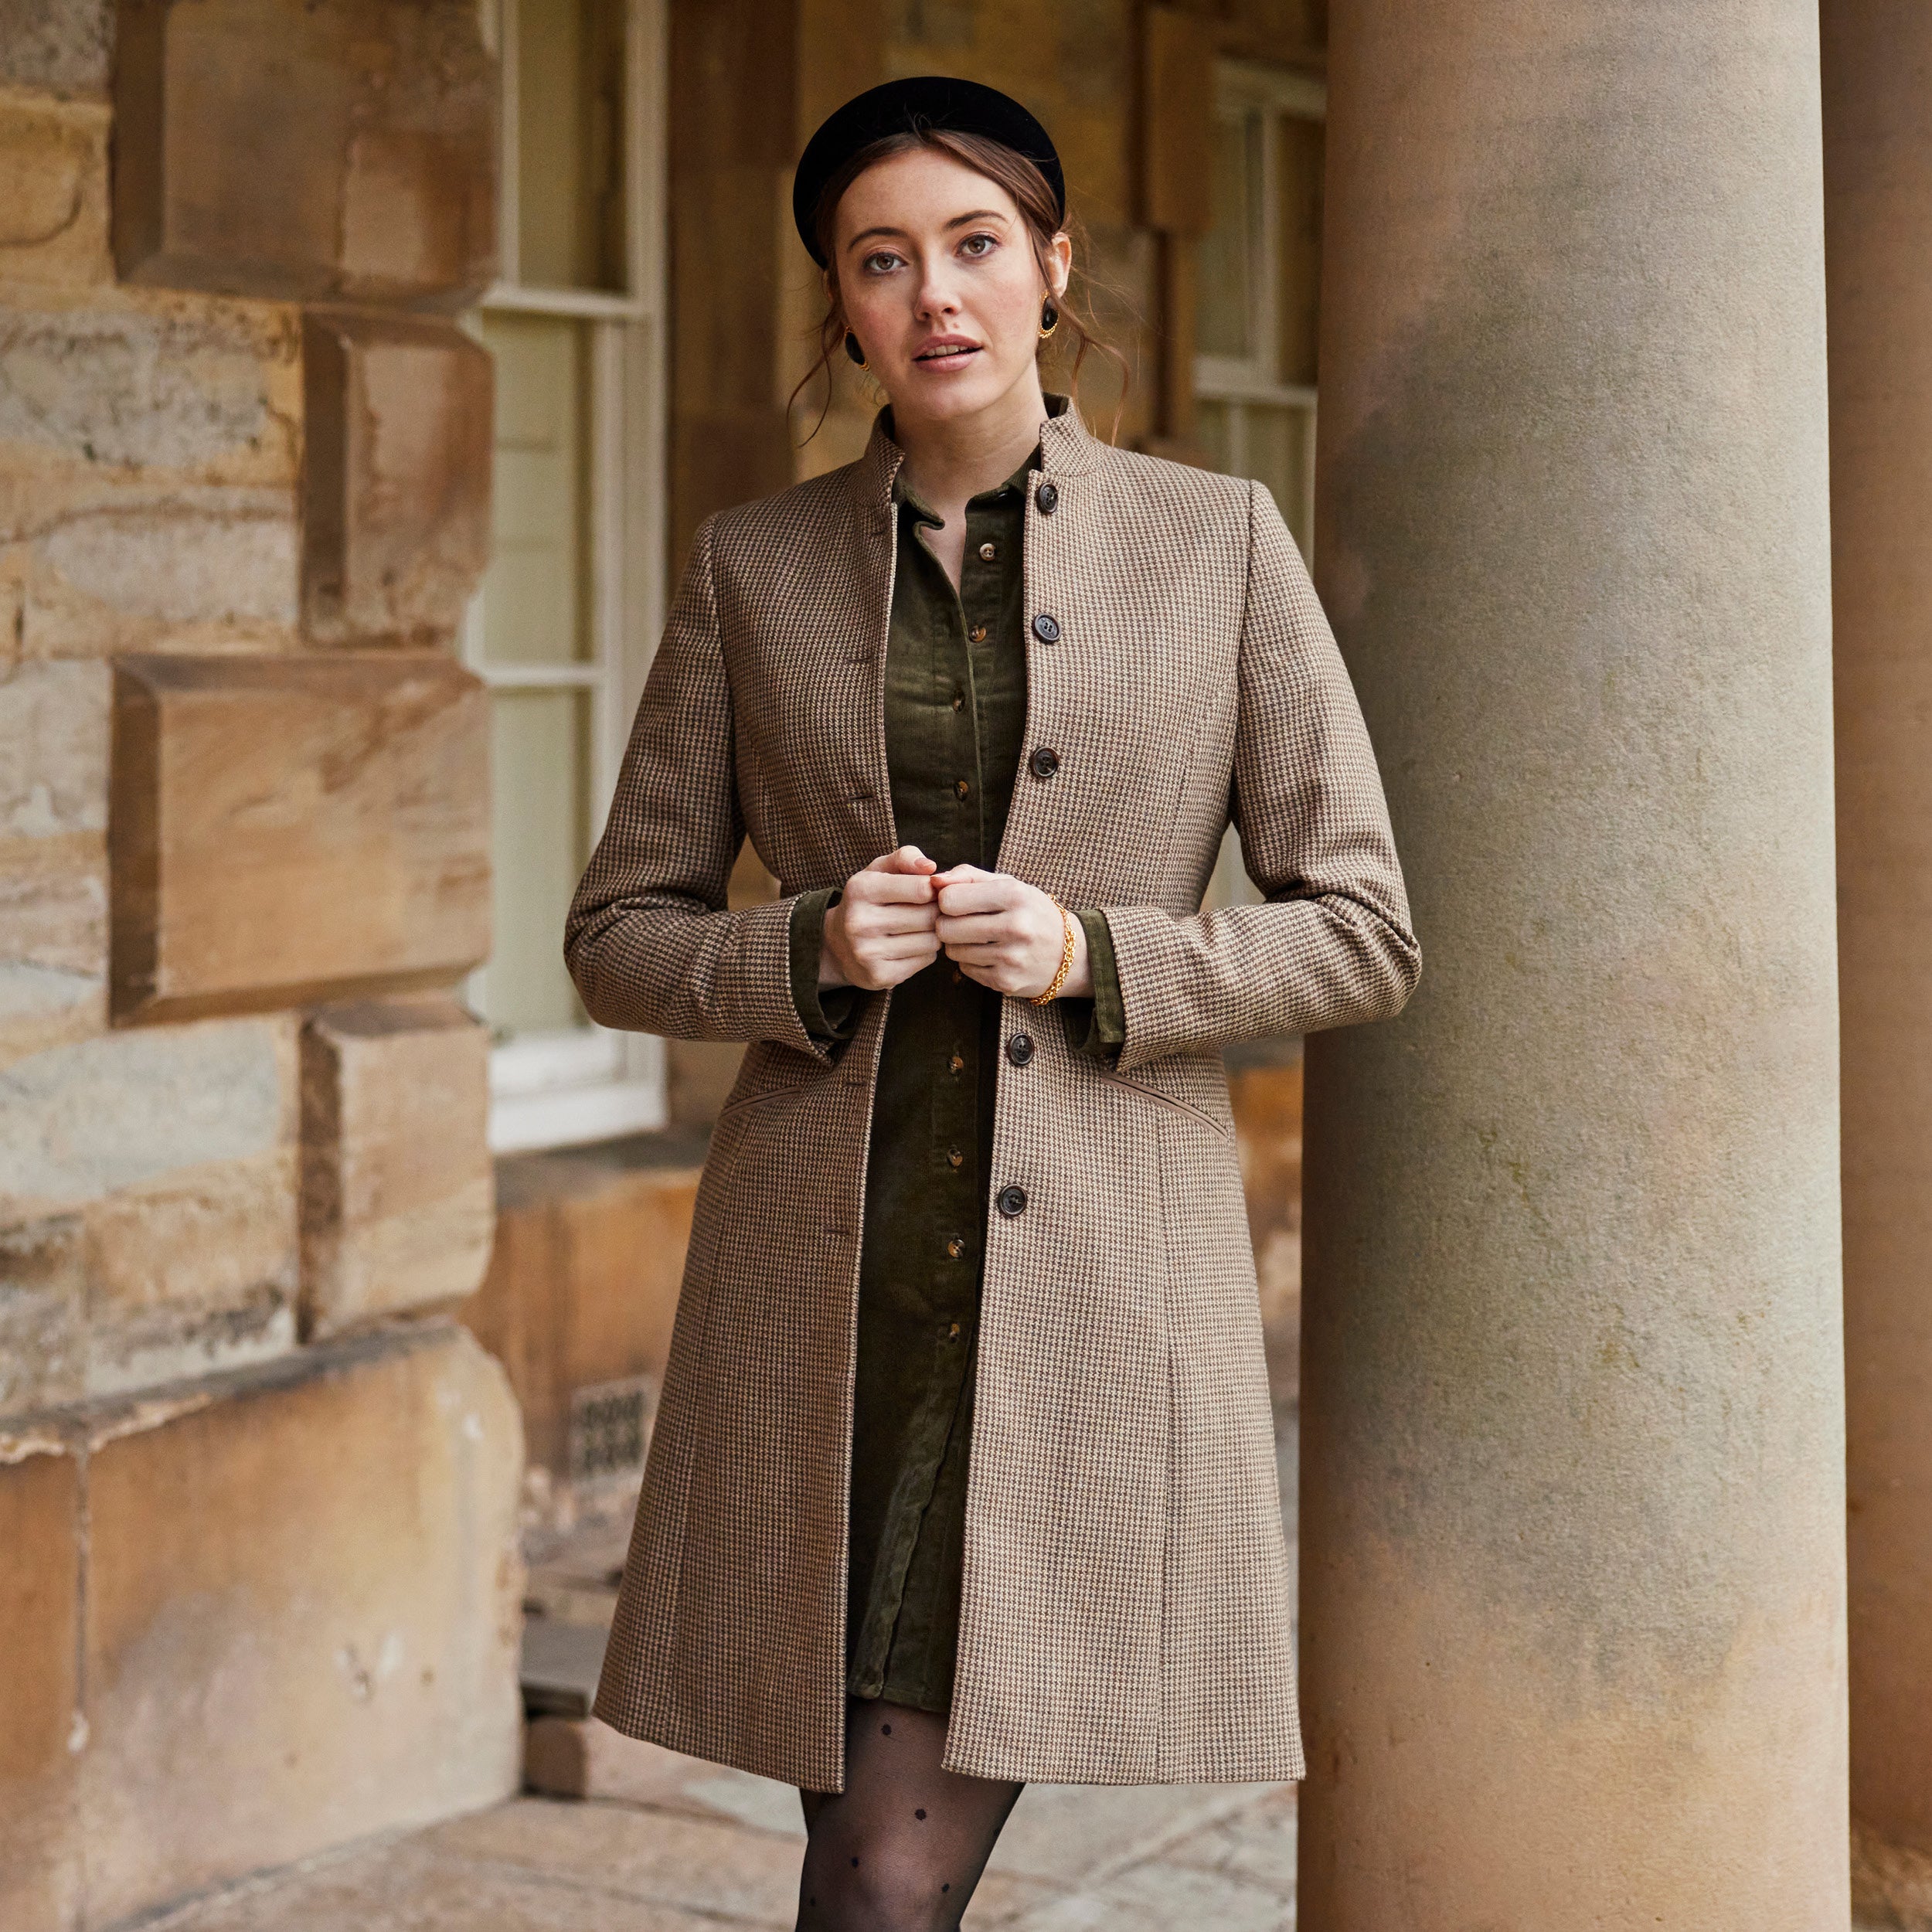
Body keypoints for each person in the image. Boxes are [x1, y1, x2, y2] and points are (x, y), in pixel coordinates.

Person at [564, 74, 1420, 1932]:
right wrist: (793, 945)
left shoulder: (1220, 545)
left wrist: (1100, 952)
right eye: (882, 262)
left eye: (969, 246)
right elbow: (614, 930)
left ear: (1048, 268)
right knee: (855, 1856)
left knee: (880, 1872)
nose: (932, 295)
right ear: (843, 311)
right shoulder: (752, 568)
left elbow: (1361, 928)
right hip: (826, 1305)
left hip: (1085, 1308)